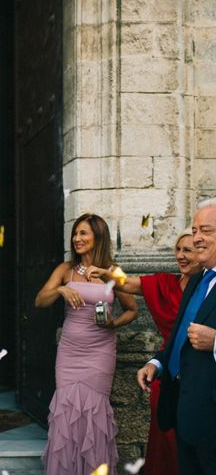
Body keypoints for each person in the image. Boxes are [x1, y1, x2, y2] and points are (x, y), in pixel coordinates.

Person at [86, 228, 201, 475]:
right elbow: (127, 283)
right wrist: (108, 273)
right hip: (167, 372)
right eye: (178, 250)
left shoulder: (207, 289)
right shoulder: (164, 283)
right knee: (165, 440)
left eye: (188, 250)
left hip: (200, 375)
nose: (181, 256)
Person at [35, 213, 138, 475]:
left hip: (100, 352)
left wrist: (113, 325)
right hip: (70, 352)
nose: (77, 238)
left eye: (84, 233)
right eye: (75, 233)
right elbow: (39, 301)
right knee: (67, 413)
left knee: (94, 414)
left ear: (98, 237)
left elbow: (132, 310)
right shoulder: (65, 269)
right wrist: (60, 290)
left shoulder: (113, 271)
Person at [137, 199, 216, 475]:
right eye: (195, 230)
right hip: (184, 413)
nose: (197, 238)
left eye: (205, 230)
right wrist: (156, 364)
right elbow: (179, 338)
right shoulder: (196, 280)